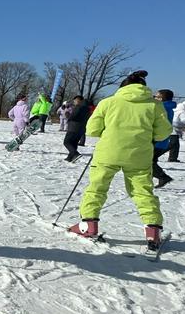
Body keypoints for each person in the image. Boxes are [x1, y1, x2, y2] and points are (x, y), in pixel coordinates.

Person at [69, 71, 172, 252]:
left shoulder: (108, 102)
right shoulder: (154, 105)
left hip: (108, 152)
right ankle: (153, 229)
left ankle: (88, 225)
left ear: (123, 87)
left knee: (97, 187)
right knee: (142, 191)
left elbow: (92, 129)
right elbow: (163, 132)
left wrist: (110, 134)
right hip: (139, 154)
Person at [152, 89, 176, 188]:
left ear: (162, 98)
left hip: (158, 140)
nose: (155, 98)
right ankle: (160, 177)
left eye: (156, 96)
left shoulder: (162, 108)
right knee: (151, 160)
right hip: (162, 139)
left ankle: (163, 177)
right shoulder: (166, 107)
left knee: (147, 162)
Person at [63, 96, 89, 162]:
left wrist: (68, 115)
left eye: (74, 101)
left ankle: (75, 154)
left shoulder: (79, 107)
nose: (74, 102)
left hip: (74, 127)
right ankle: (70, 157)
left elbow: (73, 116)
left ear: (78, 100)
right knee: (74, 143)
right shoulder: (87, 108)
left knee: (67, 142)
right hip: (81, 129)